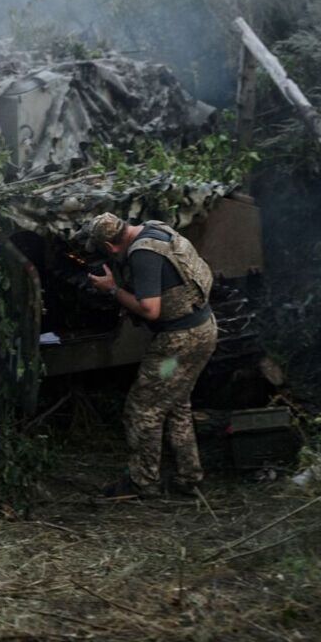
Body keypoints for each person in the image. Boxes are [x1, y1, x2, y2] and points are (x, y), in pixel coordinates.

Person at [72, 212, 218, 498]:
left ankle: (143, 481)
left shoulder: (142, 255)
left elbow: (151, 309)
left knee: (142, 408)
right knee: (176, 404)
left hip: (179, 343)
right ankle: (188, 477)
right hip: (203, 327)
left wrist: (112, 289)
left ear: (112, 247)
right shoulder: (154, 228)